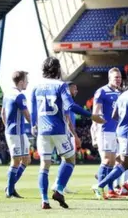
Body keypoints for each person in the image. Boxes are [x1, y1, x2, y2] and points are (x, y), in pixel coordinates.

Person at [31, 57, 104, 209]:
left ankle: (44, 200)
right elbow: (70, 106)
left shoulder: (35, 87)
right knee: (70, 159)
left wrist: (33, 126)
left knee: (44, 166)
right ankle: (58, 188)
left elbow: (33, 111)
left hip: (42, 132)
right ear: (57, 70)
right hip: (58, 129)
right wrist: (91, 115)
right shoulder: (61, 86)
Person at [92, 75, 128, 199]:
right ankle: (100, 185)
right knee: (126, 164)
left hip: (122, 132)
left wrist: (124, 120)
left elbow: (114, 115)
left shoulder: (121, 96)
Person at [92, 67, 122, 198]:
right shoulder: (101, 92)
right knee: (106, 160)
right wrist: (95, 132)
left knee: (113, 161)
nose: (118, 80)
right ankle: (99, 189)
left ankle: (110, 189)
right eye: (116, 77)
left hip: (116, 131)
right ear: (109, 78)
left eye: (120, 77)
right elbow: (95, 113)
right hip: (105, 130)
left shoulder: (119, 93)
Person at [1, 71, 32, 198]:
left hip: (16, 132)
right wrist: (36, 125)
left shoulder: (7, 94)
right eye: (26, 80)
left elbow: (2, 113)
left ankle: (10, 186)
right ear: (21, 82)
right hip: (16, 133)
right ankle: (10, 190)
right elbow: (27, 114)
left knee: (26, 159)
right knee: (16, 161)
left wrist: (7, 127)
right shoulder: (20, 96)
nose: (28, 83)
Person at [51, 81, 81, 194]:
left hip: (66, 133)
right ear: (68, 89)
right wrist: (75, 135)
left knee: (66, 159)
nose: (76, 91)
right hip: (67, 133)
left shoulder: (68, 101)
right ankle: (59, 184)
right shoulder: (66, 101)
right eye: (74, 88)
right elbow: (68, 120)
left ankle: (60, 184)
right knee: (70, 160)